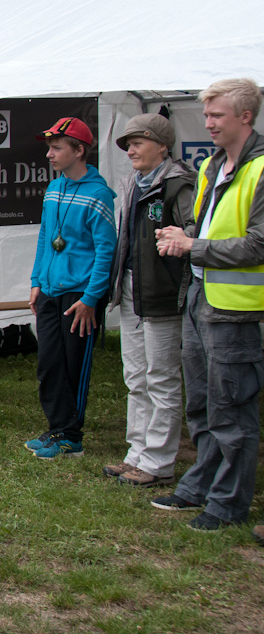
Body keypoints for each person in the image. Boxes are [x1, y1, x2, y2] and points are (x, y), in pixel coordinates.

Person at [154, 78, 264, 532]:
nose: (208, 123)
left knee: (232, 406)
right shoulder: (210, 167)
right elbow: (206, 226)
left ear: (246, 117)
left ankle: (229, 502)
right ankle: (201, 482)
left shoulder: (261, 170)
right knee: (200, 401)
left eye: (217, 116)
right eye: (206, 115)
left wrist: (191, 246)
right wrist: (182, 240)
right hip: (200, 295)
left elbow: (258, 246)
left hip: (237, 307)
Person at [103, 115, 194, 487]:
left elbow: (196, 232)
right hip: (129, 290)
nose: (131, 150)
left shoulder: (177, 184)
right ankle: (137, 452)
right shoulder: (129, 184)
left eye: (138, 142)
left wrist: (179, 239)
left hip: (161, 293)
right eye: (127, 144)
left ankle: (158, 461)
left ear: (162, 144)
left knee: (161, 377)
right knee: (135, 376)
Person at [25, 117, 117, 459]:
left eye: (57, 148)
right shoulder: (54, 189)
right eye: (49, 148)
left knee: (72, 365)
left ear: (79, 151)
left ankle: (71, 437)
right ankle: (56, 428)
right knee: (49, 363)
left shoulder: (98, 195)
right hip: (50, 289)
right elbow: (46, 240)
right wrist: (37, 281)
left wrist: (92, 299)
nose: (50, 154)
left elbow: (107, 251)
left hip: (80, 295)